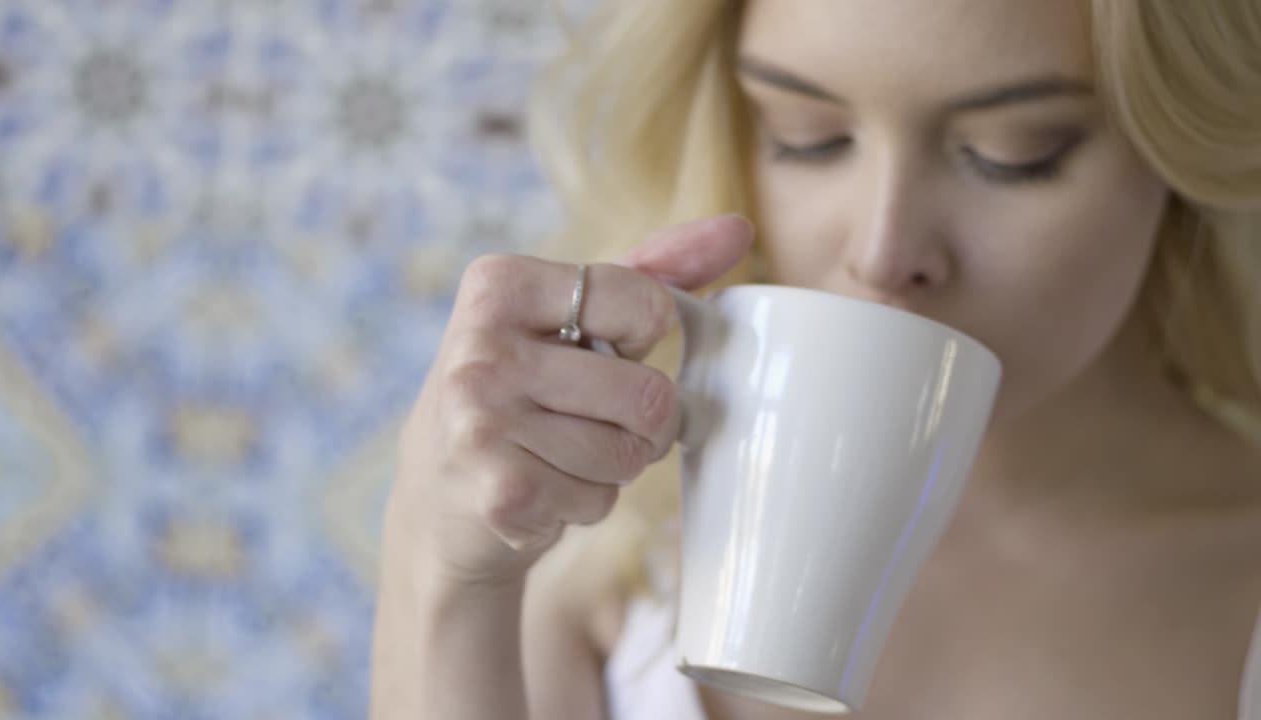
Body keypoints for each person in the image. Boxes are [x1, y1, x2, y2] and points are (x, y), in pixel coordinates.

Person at [370, 0, 1261, 717]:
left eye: (1012, 155)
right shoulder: (600, 562)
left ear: (1177, 151)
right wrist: (441, 573)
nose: (882, 249)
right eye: (807, 136)